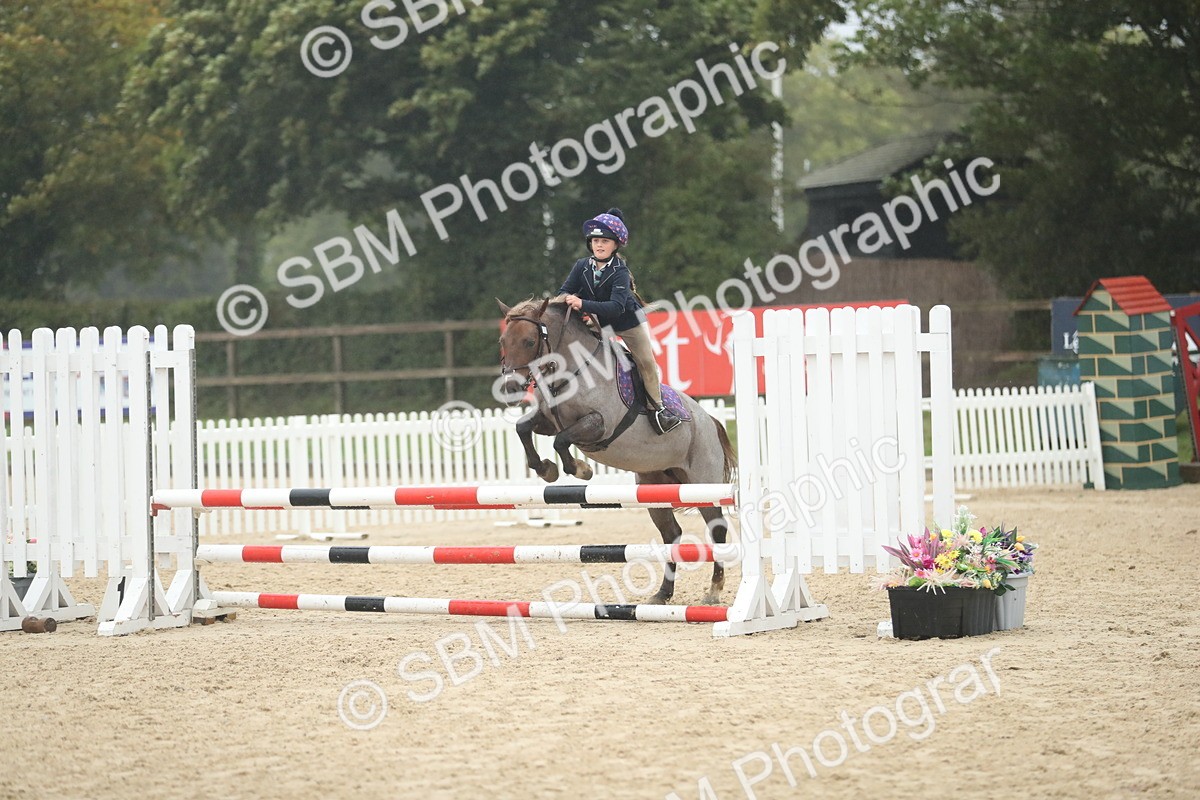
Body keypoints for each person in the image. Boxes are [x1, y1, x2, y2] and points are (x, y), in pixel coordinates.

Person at [559, 208, 683, 434]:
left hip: (627, 322)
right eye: (595, 240)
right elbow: (564, 292)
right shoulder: (581, 266)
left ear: (615, 245)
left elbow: (616, 308)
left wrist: (583, 304)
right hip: (600, 322)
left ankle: (659, 410)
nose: (599, 245)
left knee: (645, 362)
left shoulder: (620, 272)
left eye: (604, 241)